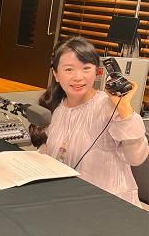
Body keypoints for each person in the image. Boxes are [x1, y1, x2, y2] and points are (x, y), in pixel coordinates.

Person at [30, 36, 148, 207]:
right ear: (56, 74)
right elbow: (52, 153)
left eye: (86, 68)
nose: (78, 77)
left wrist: (124, 108)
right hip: (67, 200)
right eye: (69, 69)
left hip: (109, 204)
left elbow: (136, 158)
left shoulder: (110, 106)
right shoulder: (56, 107)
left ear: (97, 72)